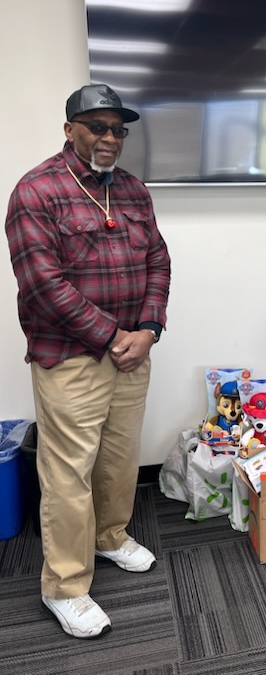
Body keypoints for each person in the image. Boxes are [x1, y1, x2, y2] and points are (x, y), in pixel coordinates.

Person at [5, 84, 171, 638]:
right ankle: (66, 585)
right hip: (72, 355)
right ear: (70, 128)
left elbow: (157, 258)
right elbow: (43, 285)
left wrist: (148, 328)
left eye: (118, 130)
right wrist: (111, 336)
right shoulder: (37, 190)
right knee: (68, 472)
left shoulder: (130, 189)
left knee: (119, 459)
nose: (109, 138)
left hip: (132, 351)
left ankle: (110, 537)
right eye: (97, 127)